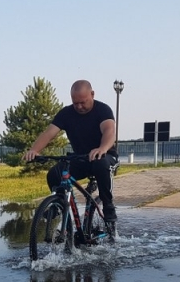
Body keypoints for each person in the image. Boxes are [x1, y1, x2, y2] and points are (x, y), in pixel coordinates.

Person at [23, 80, 118, 231]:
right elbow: (49, 133)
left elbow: (109, 131)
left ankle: (108, 206)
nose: (79, 106)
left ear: (92, 94)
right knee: (54, 174)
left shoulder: (103, 110)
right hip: (80, 158)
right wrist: (34, 150)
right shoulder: (66, 113)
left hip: (105, 156)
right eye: (76, 103)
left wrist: (102, 148)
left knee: (101, 164)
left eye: (83, 102)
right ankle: (60, 203)